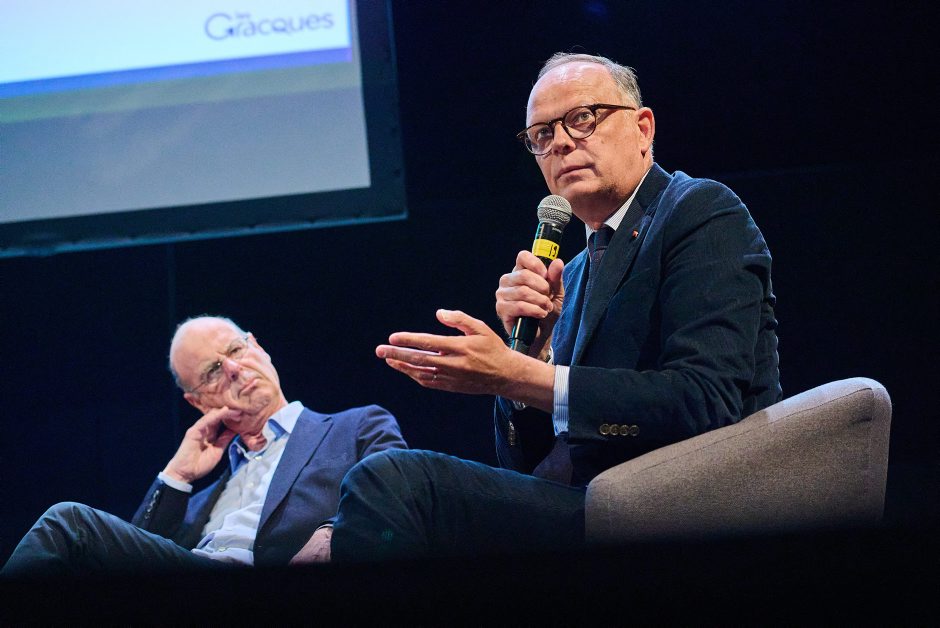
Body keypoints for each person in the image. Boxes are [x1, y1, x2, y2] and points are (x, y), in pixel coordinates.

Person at [325, 52, 782, 561]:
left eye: (582, 118)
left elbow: (706, 401)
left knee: (392, 481)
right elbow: (524, 465)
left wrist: (516, 375)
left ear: (643, 128)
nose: (561, 142)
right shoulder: (575, 270)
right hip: (586, 504)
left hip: (673, 507)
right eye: (542, 134)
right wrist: (533, 353)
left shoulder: (698, 210)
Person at [2, 315, 406, 576]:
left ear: (259, 347)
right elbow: (126, 566)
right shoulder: (194, 506)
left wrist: (334, 532)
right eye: (212, 371)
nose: (234, 369)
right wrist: (176, 476)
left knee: (68, 522)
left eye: (235, 349)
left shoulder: (356, 426)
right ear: (198, 403)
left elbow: (397, 499)